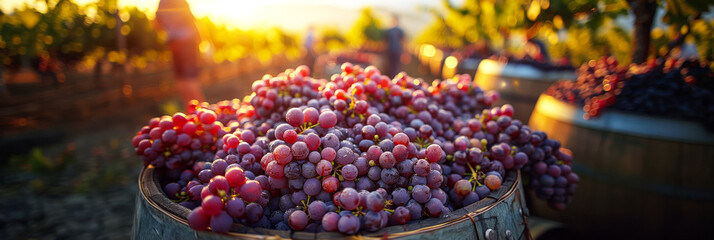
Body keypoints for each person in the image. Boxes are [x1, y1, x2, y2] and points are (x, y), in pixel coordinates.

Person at [155, 0, 205, 107]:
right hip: (187, 42)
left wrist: (169, 28)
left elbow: (157, 24)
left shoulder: (162, 3)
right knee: (189, 80)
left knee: (183, 80)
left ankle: (197, 112)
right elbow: (191, 20)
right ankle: (199, 112)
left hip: (176, 42)